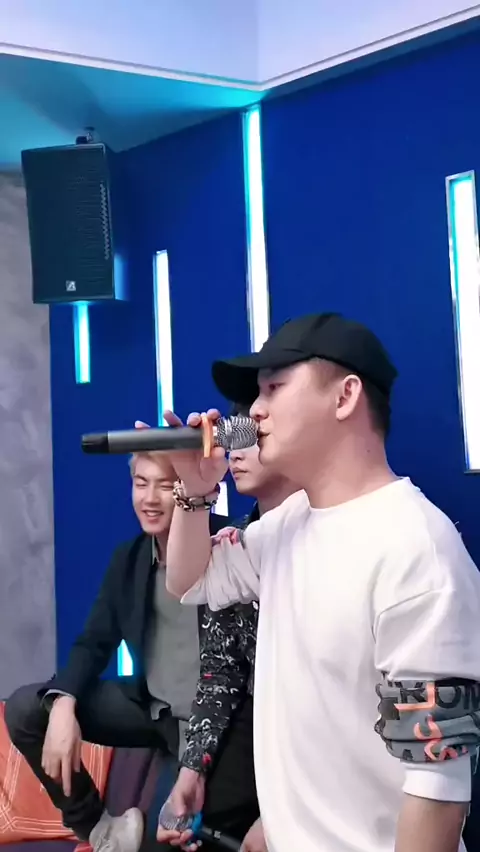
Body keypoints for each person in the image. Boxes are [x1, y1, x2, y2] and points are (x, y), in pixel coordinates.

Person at [162, 312, 480, 852]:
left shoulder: (416, 550)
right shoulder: (288, 523)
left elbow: (437, 791)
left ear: (345, 396)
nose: (254, 410)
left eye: (275, 388)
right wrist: (194, 495)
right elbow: (190, 582)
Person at [4, 450, 230, 852]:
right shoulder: (130, 558)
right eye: (141, 484)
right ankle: (99, 829)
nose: (150, 498)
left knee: (162, 840)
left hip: (209, 726)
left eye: (165, 485)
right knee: (26, 708)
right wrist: (63, 702)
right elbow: (93, 642)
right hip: (150, 709)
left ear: (189, 488)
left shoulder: (229, 546)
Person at [157, 411, 295, 852]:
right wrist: (192, 769)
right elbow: (219, 669)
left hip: (326, 739)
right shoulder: (238, 542)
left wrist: (283, 816)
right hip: (259, 717)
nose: (236, 452)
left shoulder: (345, 535)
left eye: (254, 436)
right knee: (183, 829)